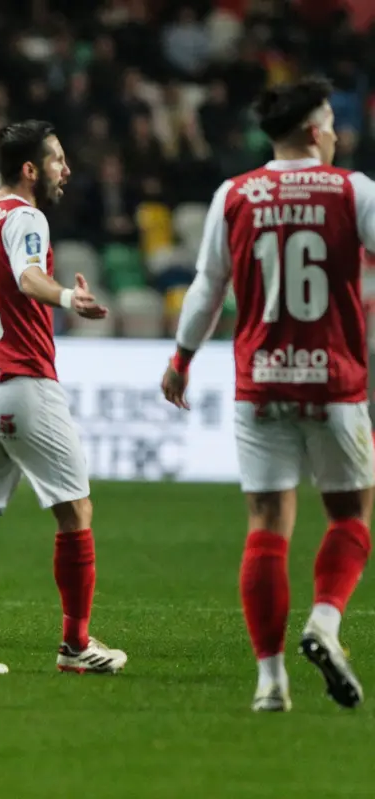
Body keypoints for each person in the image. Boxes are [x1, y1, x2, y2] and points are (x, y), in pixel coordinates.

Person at [162, 77, 375, 712]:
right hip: (334, 385)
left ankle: (270, 682)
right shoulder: (352, 189)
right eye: (331, 123)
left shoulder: (235, 194)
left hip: (259, 385)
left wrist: (181, 360)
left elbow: (206, 288)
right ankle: (326, 623)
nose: (337, 134)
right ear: (314, 131)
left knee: (266, 527)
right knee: (350, 515)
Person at [0, 120, 128, 676]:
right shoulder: (26, 216)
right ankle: (75, 646)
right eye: (57, 160)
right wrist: (69, 295)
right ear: (29, 169)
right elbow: (27, 278)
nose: (65, 170)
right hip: (20, 383)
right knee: (75, 511)